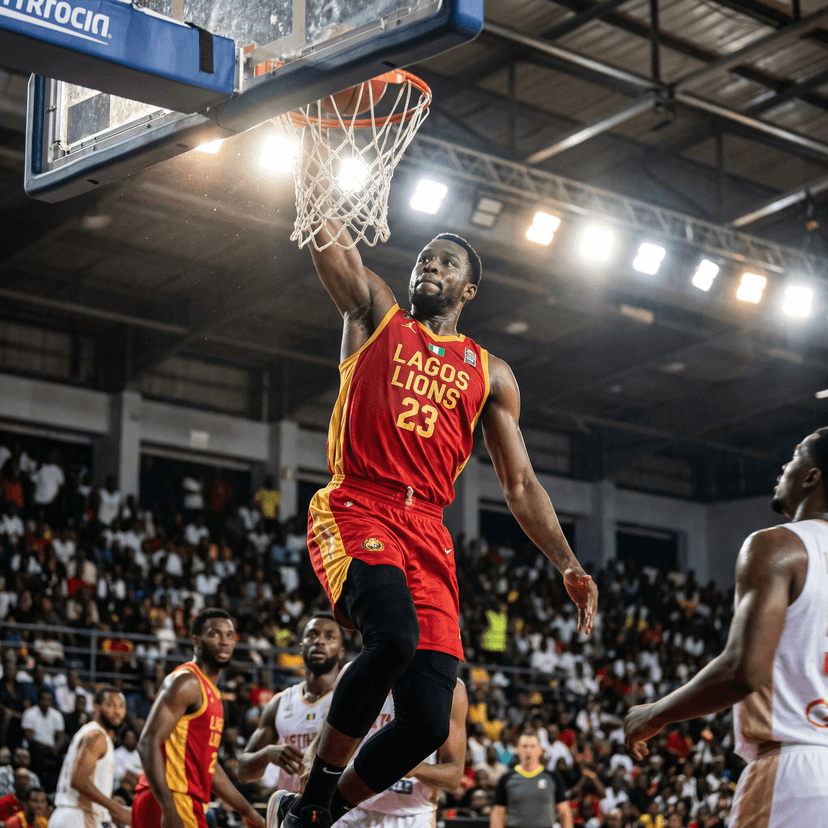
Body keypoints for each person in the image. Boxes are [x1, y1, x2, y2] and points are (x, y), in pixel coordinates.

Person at [276, 179, 598, 828]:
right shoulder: (377, 317)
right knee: (392, 637)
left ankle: (315, 811)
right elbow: (332, 248)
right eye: (425, 257)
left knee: (427, 718)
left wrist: (566, 562)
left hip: (427, 529)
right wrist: (312, 169)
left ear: (467, 290)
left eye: (446, 262)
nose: (430, 265)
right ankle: (312, 797)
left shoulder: (490, 372)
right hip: (359, 504)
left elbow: (520, 485)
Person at [624, 427, 828, 826]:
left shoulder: (777, 546)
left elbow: (744, 671)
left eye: (795, 457)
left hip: (794, 770)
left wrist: (655, 713)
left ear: (811, 477)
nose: (784, 467)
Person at [133, 608, 264, 828]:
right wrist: (168, 807)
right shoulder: (187, 682)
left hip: (173, 798)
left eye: (229, 635)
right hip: (173, 798)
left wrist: (247, 810)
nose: (224, 641)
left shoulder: (210, 692)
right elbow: (147, 742)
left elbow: (208, 766)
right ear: (196, 641)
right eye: (214, 634)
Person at [238, 613, 345, 792]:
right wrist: (266, 755)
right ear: (301, 648)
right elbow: (243, 772)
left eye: (329, 636)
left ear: (341, 651)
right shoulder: (280, 702)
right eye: (312, 635)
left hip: (339, 814)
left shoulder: (352, 701)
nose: (320, 641)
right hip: (292, 812)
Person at [48, 686, 131, 828]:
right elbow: (79, 780)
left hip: (71, 814)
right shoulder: (97, 736)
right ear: (96, 707)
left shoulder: (91, 732)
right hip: (77, 816)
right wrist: (119, 810)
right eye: (110, 705)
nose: (117, 711)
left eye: (121, 706)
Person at [490, 732, 572, 828]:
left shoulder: (553, 777)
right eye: (524, 746)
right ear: (517, 749)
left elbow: (564, 812)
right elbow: (498, 813)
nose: (528, 750)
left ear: (540, 750)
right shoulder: (506, 778)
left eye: (533, 746)